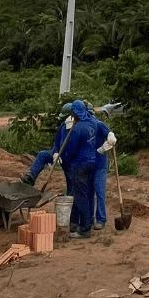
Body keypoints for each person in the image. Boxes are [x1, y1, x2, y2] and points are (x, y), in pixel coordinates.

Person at [65, 99, 99, 239]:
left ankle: (84, 229)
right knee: (86, 194)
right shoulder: (93, 123)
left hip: (80, 165)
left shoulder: (77, 129)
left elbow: (71, 150)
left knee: (81, 197)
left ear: (74, 112)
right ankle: (80, 222)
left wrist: (66, 160)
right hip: (92, 162)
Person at [20, 103, 74, 190]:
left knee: (70, 180)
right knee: (43, 155)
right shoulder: (63, 126)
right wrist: (55, 153)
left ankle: (71, 195)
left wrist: (65, 156)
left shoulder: (78, 128)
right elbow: (57, 143)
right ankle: (30, 178)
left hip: (71, 158)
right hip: (58, 154)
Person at [93, 117, 117, 230]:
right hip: (87, 165)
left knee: (99, 191)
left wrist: (104, 147)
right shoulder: (82, 126)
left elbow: (111, 137)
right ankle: (89, 218)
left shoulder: (99, 125)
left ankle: (101, 219)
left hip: (100, 165)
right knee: (88, 192)